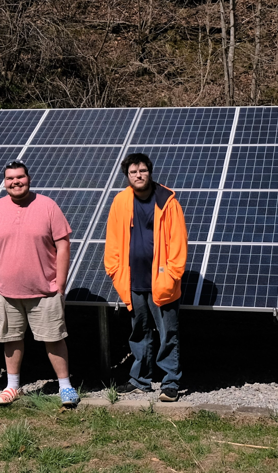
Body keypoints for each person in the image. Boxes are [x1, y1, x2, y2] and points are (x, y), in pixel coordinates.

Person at [0, 160, 78, 408]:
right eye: (10, 178)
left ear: (29, 178)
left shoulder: (47, 206)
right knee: (10, 339)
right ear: (4, 182)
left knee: (54, 338)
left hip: (45, 290)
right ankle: (13, 386)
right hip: (4, 291)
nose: (15, 182)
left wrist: (60, 283)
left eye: (20, 177)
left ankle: (65, 387)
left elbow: (63, 244)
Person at [104, 153, 188, 402]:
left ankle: (170, 382)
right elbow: (112, 240)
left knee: (167, 333)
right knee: (139, 332)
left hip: (162, 281)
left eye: (142, 170)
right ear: (127, 176)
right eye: (133, 172)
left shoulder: (167, 201)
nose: (138, 175)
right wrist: (114, 270)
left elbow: (178, 242)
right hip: (132, 279)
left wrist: (172, 275)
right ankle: (140, 379)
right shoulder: (121, 201)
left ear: (149, 172)